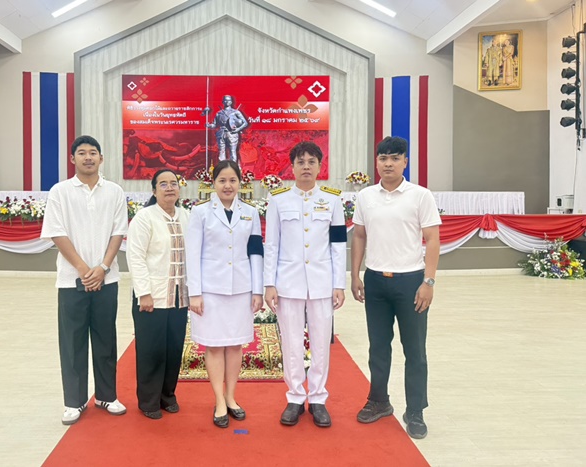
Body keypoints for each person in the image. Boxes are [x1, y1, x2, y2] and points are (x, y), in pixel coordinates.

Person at [351, 136, 441, 440]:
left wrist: (428, 281)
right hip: (376, 281)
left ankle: (415, 411)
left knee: (415, 350)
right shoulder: (366, 196)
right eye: (383, 158)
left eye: (394, 158)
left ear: (405, 162)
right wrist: (355, 275)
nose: (388, 163)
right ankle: (379, 401)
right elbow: (359, 236)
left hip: (411, 282)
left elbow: (432, 239)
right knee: (378, 347)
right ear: (376, 162)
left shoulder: (420, 196)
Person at [40, 135, 128, 425]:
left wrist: (102, 268)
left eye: (93, 152)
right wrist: (82, 269)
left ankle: (106, 396)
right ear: (72, 159)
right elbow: (56, 232)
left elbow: (118, 232)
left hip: (107, 278)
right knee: (72, 342)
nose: (88, 157)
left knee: (105, 339)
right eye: (82, 153)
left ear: (101, 158)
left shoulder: (114, 191)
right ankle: (74, 402)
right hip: (71, 280)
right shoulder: (60, 191)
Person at [264, 141, 346, 428]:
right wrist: (269, 284)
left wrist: (339, 283)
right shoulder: (278, 199)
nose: (306, 167)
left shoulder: (333, 200)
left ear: (320, 166)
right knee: (291, 342)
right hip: (288, 282)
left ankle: (318, 398)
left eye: (312, 161)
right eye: (301, 162)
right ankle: (296, 397)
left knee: (321, 343)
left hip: (322, 283)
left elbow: (338, 245)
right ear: (292, 167)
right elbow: (271, 244)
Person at [186, 160, 264, 428]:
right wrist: (194, 293)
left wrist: (257, 290)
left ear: (240, 183)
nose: (228, 186)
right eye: (222, 180)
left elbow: (256, 251)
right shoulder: (200, 213)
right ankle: (219, 400)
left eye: (232, 180)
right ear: (213, 184)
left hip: (241, 289)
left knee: (235, 344)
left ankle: (231, 397)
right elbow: (193, 254)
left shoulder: (250, 213)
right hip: (210, 290)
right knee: (214, 344)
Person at [126, 169, 190, 420]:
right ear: (154, 190)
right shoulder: (145, 218)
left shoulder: (187, 216)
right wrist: (144, 293)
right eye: (163, 184)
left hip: (179, 296)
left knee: (173, 349)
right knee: (151, 350)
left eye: (174, 183)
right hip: (151, 297)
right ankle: (149, 401)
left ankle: (168, 396)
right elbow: (136, 257)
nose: (169, 188)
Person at [206, 95, 248, 163]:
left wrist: (238, 129)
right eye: (225, 100)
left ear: (231, 102)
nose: (227, 102)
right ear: (223, 102)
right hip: (221, 134)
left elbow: (245, 123)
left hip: (232, 134)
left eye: (229, 100)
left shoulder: (236, 112)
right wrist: (209, 125)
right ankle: (222, 167)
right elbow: (215, 124)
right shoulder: (219, 113)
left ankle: (233, 167)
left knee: (232, 151)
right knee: (221, 151)